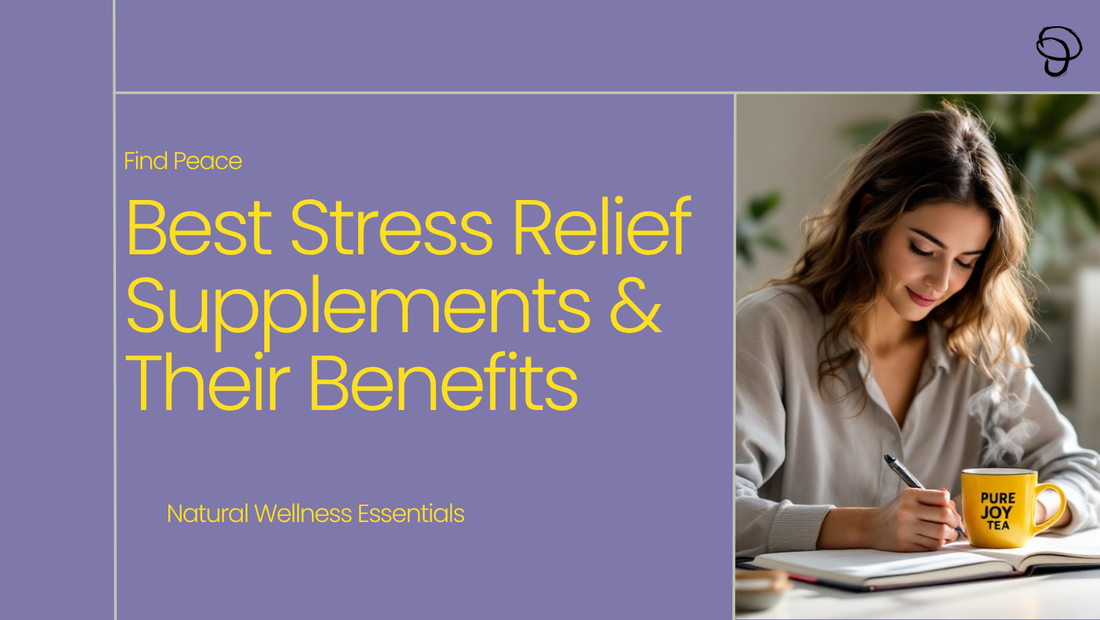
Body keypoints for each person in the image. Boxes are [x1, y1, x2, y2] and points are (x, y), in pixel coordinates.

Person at [735, 105, 1100, 558]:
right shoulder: (768, 328)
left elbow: (1079, 470)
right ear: (871, 211)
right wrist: (867, 526)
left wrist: (1035, 508)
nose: (942, 282)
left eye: (967, 262)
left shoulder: (980, 346)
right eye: (923, 248)